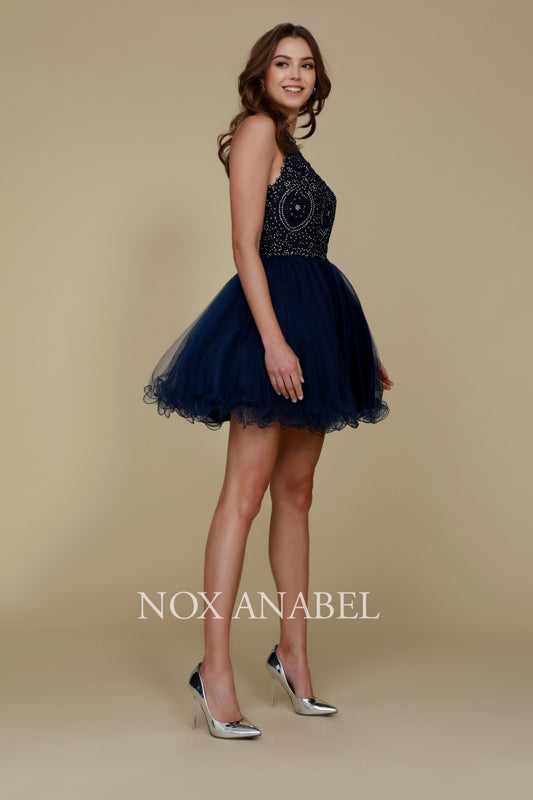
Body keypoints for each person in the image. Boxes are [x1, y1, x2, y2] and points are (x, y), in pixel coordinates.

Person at [143, 22, 393, 740]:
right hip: (269, 331)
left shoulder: (291, 145)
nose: (295, 74)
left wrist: (354, 350)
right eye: (282, 63)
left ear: (317, 79)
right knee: (245, 493)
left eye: (306, 64)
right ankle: (214, 668)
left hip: (319, 329)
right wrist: (276, 343)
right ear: (261, 73)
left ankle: (293, 655)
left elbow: (310, 255)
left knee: (297, 492)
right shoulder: (255, 131)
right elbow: (244, 246)